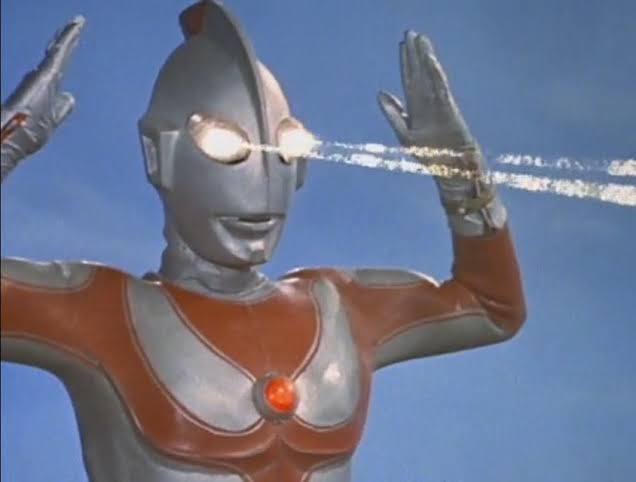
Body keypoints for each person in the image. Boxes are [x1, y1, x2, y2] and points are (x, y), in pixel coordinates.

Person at [0, 1, 526, 481]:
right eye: (225, 146)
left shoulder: (340, 307)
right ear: (159, 156)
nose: (263, 179)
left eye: (285, 147)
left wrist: (462, 174)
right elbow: (493, 307)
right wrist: (8, 140)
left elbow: (492, 307)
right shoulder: (102, 314)